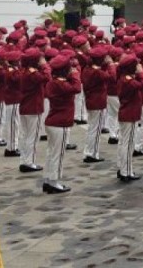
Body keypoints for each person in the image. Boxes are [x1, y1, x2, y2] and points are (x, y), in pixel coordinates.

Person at [43, 54, 81, 194]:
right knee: (58, 154)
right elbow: (77, 87)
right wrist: (75, 74)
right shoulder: (60, 84)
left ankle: (48, 179)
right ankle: (54, 182)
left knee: (51, 152)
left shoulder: (54, 82)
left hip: (53, 122)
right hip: (60, 123)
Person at [115, 54, 143, 181]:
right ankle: (126, 171)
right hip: (130, 115)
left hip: (126, 114)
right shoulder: (128, 80)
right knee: (128, 145)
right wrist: (141, 72)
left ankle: (122, 167)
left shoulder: (124, 78)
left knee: (124, 142)